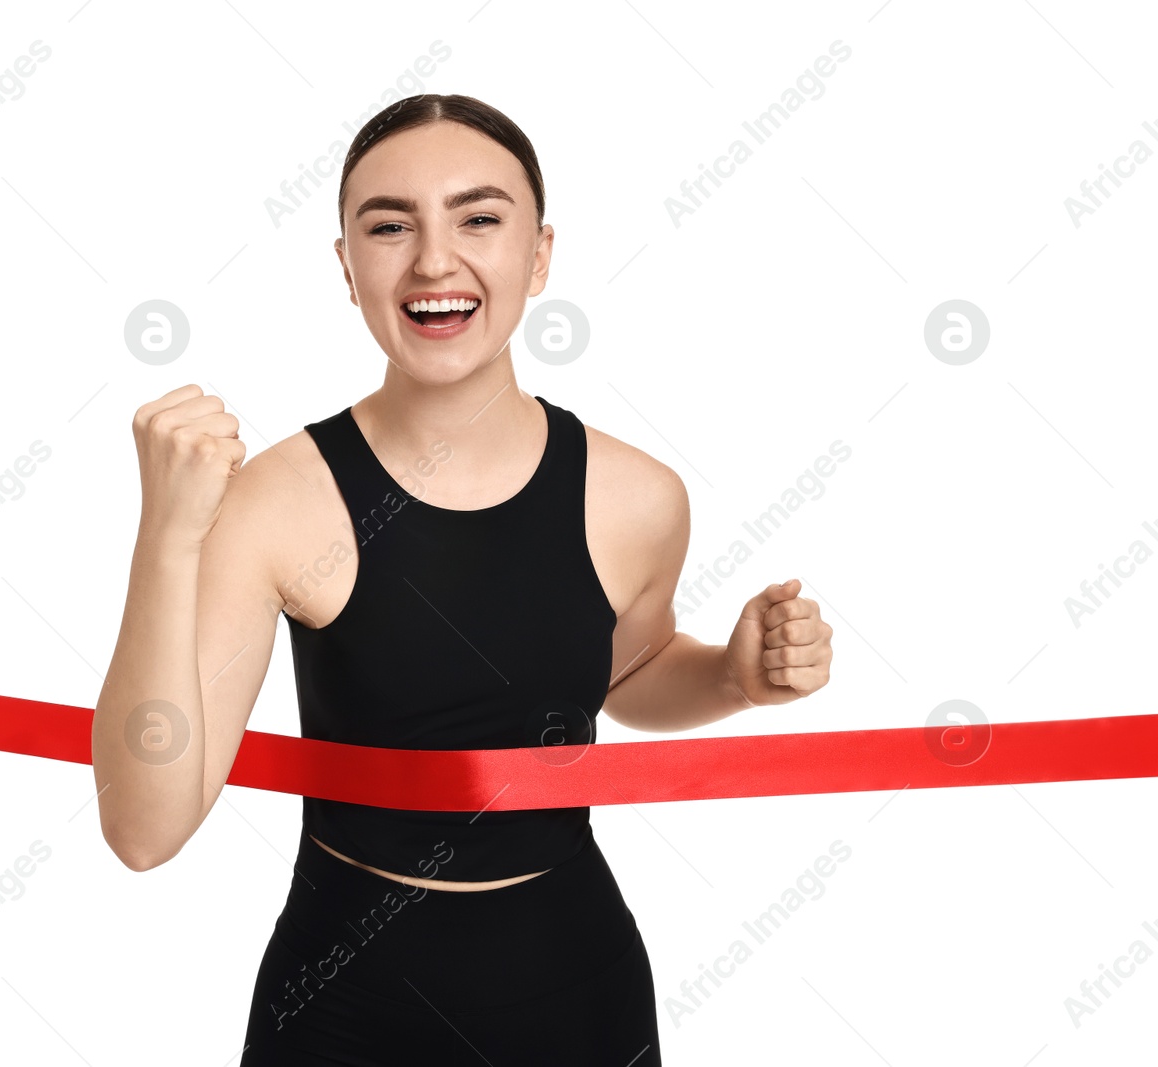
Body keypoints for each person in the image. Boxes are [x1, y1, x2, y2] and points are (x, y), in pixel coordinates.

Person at [95, 93, 834, 1065]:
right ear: (346, 267)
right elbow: (146, 827)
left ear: (539, 255)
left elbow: (623, 670)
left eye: (478, 218)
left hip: (576, 991)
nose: (434, 261)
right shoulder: (278, 501)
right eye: (389, 225)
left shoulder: (638, 496)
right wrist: (167, 537)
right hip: (341, 1002)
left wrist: (729, 677)